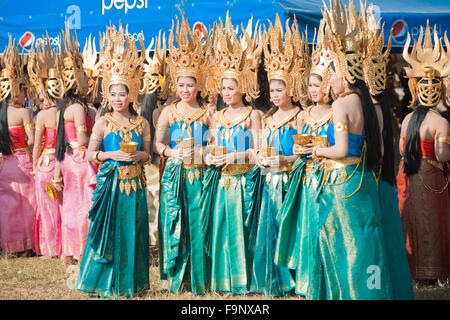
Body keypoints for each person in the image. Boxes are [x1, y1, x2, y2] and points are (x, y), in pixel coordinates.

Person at [305, 0, 394, 299]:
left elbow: (341, 148)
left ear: (346, 73)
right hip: (364, 178)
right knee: (367, 242)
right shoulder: (370, 105)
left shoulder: (341, 104)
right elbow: (376, 147)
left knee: (344, 244)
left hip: (343, 182)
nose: (330, 80)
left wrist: (317, 152)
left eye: (333, 73)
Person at [75, 23, 151, 298]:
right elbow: (89, 152)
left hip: (136, 184)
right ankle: (104, 282)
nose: (118, 99)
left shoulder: (142, 122)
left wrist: (138, 156)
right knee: (107, 233)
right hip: (110, 183)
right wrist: (110, 155)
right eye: (113, 94)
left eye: (123, 94)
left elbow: (148, 154)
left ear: (132, 94)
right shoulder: (103, 121)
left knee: (134, 230)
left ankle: (134, 283)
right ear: (107, 94)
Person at [249, 14, 309, 297]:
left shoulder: (300, 118)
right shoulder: (266, 118)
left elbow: (304, 155)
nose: (274, 94)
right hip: (269, 182)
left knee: (290, 231)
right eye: (272, 89)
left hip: (291, 183)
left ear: (291, 88)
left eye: (279, 89)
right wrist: (261, 158)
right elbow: (260, 148)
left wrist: (284, 161)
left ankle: (293, 281)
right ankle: (270, 281)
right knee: (268, 230)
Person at [201, 14, 262, 295]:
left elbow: (258, 151)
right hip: (221, 182)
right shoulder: (217, 116)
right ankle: (223, 281)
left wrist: (233, 158)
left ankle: (245, 281)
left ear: (244, 87)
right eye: (223, 87)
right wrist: (209, 157)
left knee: (243, 232)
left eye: (232, 87)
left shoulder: (254, 115)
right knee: (223, 231)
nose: (226, 92)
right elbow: (209, 146)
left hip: (245, 181)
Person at [275, 18, 333, 298]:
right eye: (310, 85)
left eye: (318, 84)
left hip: (331, 179)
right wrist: (299, 152)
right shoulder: (305, 115)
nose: (313, 90)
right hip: (308, 179)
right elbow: (299, 148)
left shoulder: (338, 112)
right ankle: (307, 283)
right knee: (307, 230)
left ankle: (328, 283)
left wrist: (320, 152)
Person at [154, 14, 212, 296]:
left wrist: (203, 150)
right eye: (181, 86)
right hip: (175, 172)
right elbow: (157, 144)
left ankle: (199, 281)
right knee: (173, 221)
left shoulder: (208, 113)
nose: (185, 90)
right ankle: (174, 278)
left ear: (198, 86)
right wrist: (170, 151)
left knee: (198, 224)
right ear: (175, 87)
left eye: (190, 85)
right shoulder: (168, 111)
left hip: (199, 173)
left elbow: (216, 143)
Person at [362, 7, 414, 299]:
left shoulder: (377, 106)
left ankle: (379, 289)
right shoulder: (374, 104)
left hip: (376, 178)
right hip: (382, 179)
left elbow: (380, 151)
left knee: (378, 238)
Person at [397, 21, 450, 283]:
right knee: (434, 223)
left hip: (406, 176)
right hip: (431, 177)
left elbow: (400, 149)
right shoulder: (441, 122)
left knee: (409, 222)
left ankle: (411, 272)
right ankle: (435, 273)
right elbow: (442, 155)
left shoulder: (407, 120)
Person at [53, 23, 97, 265]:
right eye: (85, 82)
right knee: (84, 205)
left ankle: (70, 251)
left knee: (70, 204)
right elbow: (81, 140)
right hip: (81, 160)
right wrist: (99, 143)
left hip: (69, 160)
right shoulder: (79, 108)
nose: (88, 85)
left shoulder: (65, 108)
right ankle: (83, 249)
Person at [0, 38, 36, 256]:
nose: (26, 96)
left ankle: (7, 245)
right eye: (24, 91)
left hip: (5, 165)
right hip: (23, 163)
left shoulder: (1, 113)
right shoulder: (24, 112)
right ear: (17, 91)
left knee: (6, 206)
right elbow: (30, 140)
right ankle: (26, 245)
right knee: (27, 206)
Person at [28, 41, 64, 258]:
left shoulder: (41, 116)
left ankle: (48, 247)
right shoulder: (63, 113)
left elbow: (37, 146)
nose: (40, 103)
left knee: (46, 207)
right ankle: (62, 246)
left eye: (41, 99)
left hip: (44, 164)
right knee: (60, 206)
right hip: (61, 163)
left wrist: (33, 166)